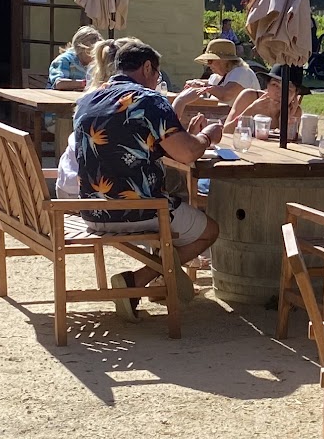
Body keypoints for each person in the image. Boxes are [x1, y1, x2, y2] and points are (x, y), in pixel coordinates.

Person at [69, 38, 219, 314]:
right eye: (157, 75)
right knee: (209, 231)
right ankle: (138, 280)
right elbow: (186, 154)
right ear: (147, 67)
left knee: (172, 212)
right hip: (139, 210)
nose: (157, 81)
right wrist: (207, 136)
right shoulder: (149, 100)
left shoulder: (88, 99)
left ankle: (159, 277)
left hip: (92, 210)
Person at [223, 70, 305, 139]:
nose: (279, 93)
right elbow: (226, 131)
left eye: (288, 89)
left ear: (295, 94)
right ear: (267, 85)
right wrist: (250, 111)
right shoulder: (250, 97)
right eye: (275, 85)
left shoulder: (294, 111)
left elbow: (290, 143)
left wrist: (285, 122)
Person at [185, 39, 261, 109]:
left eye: (210, 61)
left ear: (224, 60)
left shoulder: (242, 72)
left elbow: (226, 94)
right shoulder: (217, 76)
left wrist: (202, 86)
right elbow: (210, 84)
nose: (208, 65)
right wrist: (195, 84)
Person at [48, 25, 104, 90]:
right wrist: (85, 83)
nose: (95, 57)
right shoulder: (64, 60)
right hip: (54, 96)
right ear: (81, 49)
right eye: (92, 53)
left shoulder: (94, 64)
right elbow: (59, 84)